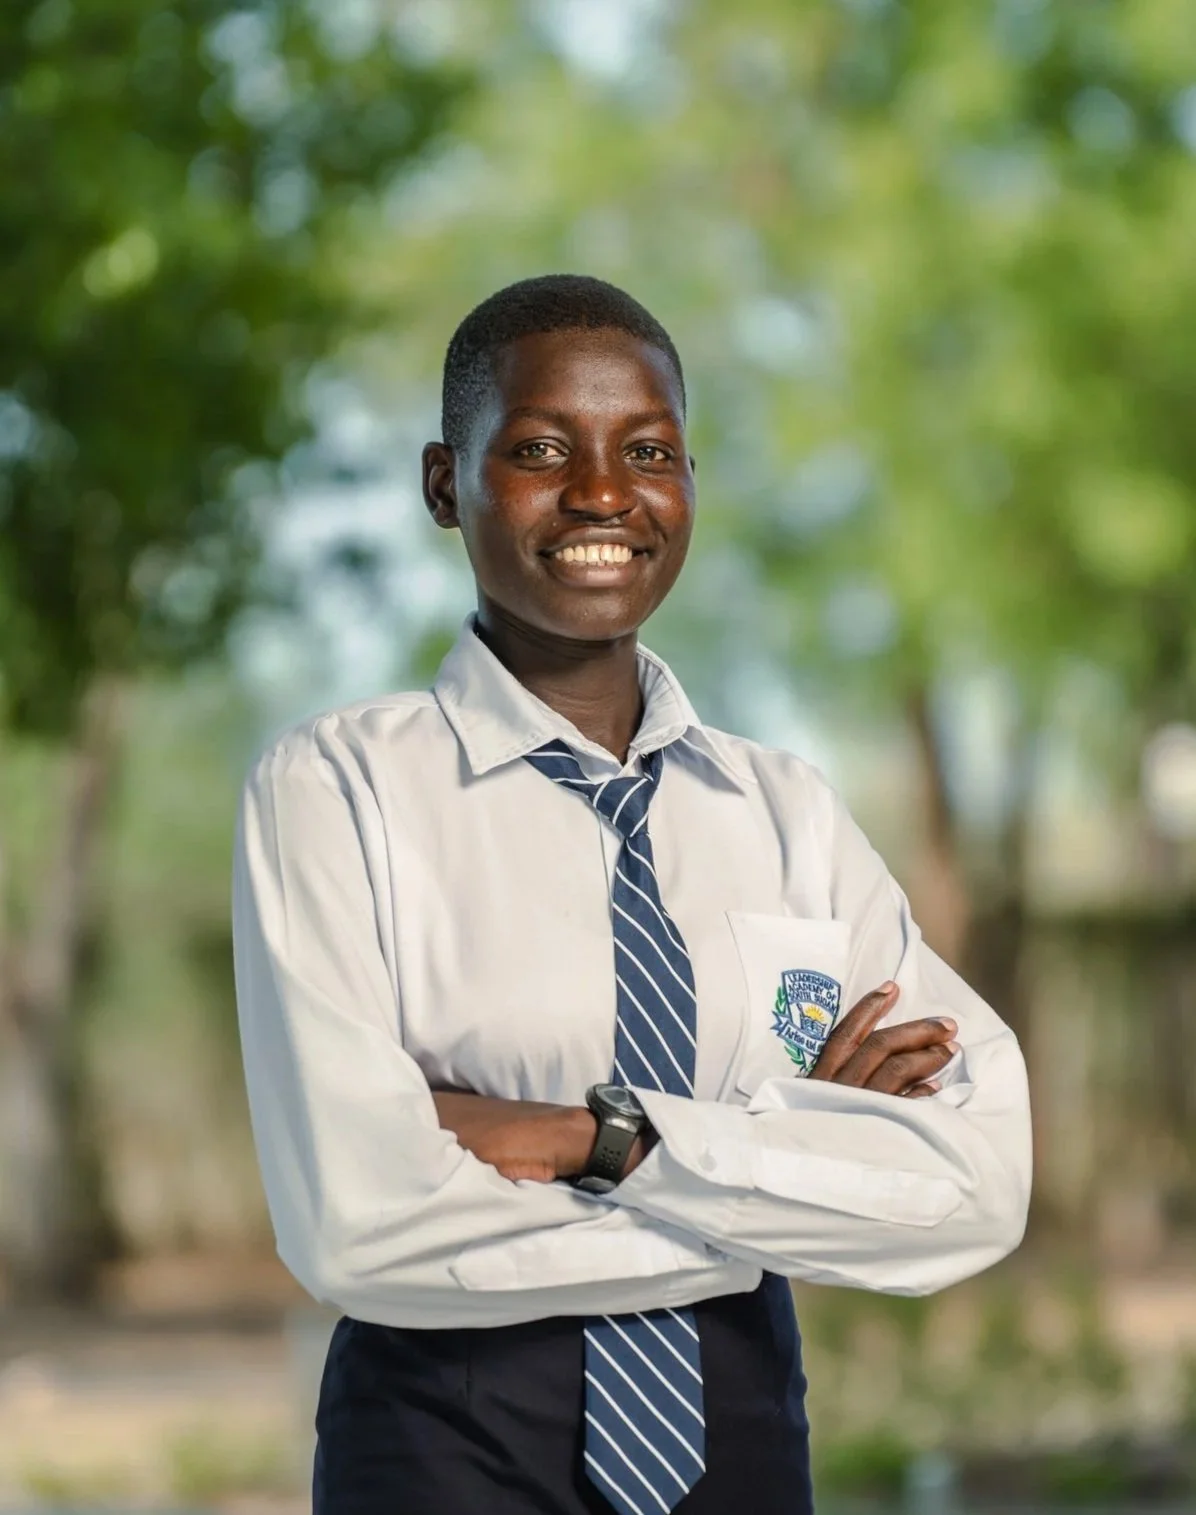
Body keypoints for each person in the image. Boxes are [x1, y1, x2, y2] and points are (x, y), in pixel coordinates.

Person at [232, 274, 1032, 1515]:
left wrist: (592, 1139)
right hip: (445, 1453)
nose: (603, 494)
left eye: (648, 451)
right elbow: (359, 1223)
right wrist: (776, 1172)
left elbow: (969, 1193)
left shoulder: (785, 816)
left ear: (688, 486)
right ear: (445, 484)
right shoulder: (339, 790)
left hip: (744, 1444)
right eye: (542, 448)